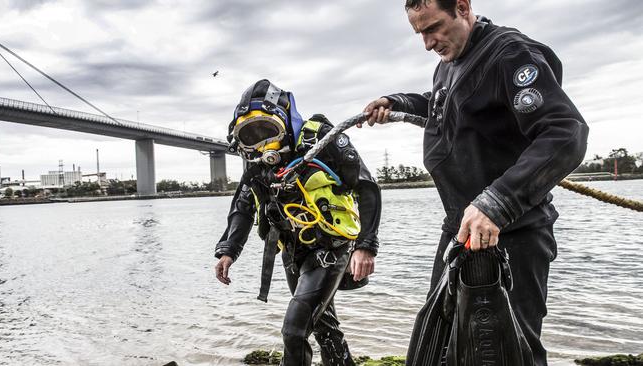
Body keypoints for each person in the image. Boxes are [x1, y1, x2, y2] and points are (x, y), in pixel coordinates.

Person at [361, 0, 589, 364]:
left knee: (509, 352)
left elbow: (566, 133)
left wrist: (497, 203)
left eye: (433, 27)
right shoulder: (447, 67)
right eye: (419, 33)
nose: (428, 43)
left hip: (512, 232)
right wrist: (397, 102)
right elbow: (440, 104)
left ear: (463, 8)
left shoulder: (511, 54)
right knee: (438, 347)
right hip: (458, 231)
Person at [215, 80, 382, 366]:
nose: (262, 144)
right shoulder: (257, 165)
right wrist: (228, 250)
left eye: (267, 131)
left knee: (294, 331)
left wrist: (366, 246)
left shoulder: (321, 140)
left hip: (331, 246)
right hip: (293, 252)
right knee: (323, 327)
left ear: (286, 122)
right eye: (250, 136)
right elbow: (243, 207)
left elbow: (367, 188)